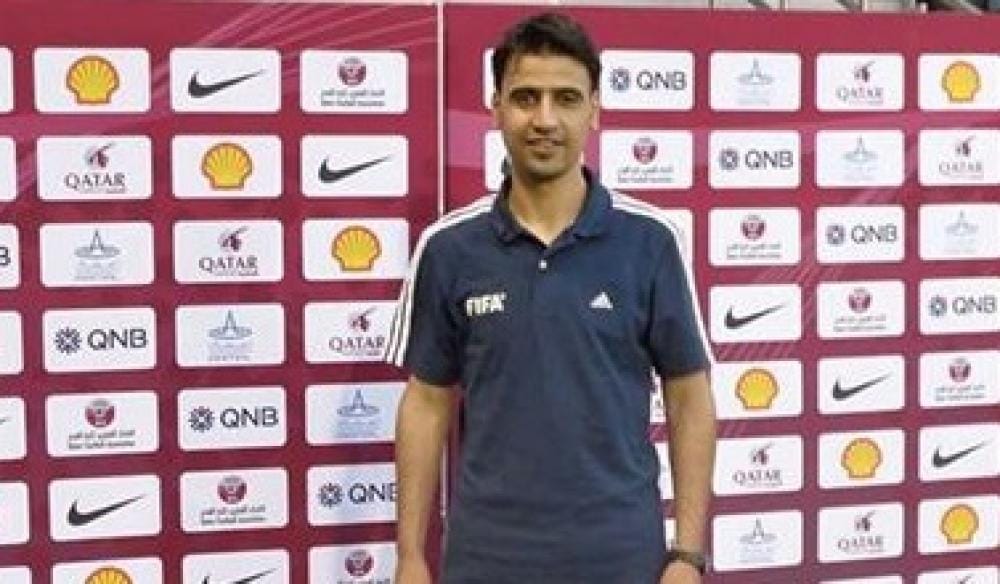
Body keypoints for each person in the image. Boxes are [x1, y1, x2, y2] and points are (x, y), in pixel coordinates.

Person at [385, 12, 716, 584]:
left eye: (565, 98)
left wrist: (686, 555)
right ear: (496, 107)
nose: (544, 119)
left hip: (621, 557)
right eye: (525, 98)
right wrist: (410, 556)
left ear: (595, 109)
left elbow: (689, 397)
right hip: (487, 560)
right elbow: (426, 403)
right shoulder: (448, 247)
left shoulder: (650, 241)